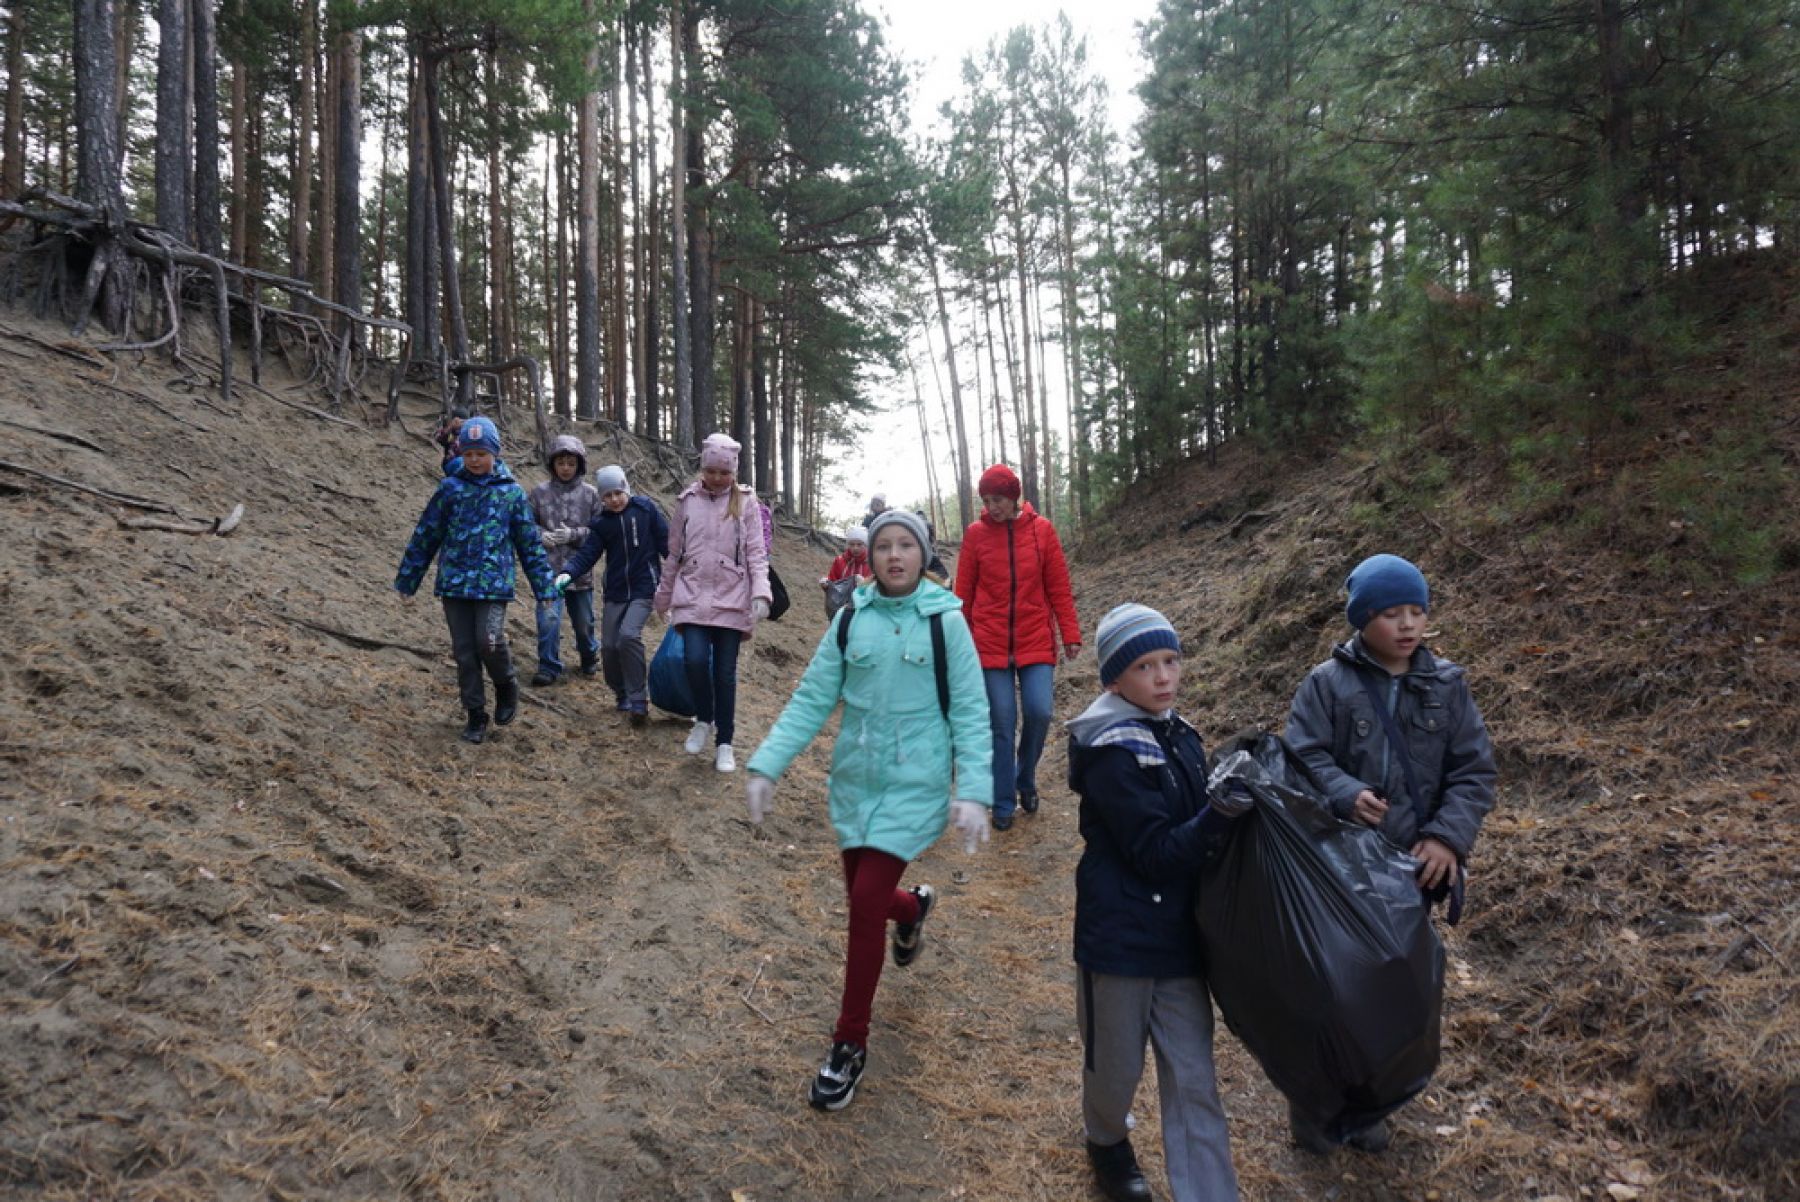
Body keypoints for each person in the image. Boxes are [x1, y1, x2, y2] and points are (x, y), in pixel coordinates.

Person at [743, 510, 993, 1111]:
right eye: (884, 546)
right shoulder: (852, 616)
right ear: (870, 556)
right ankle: (912, 910)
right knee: (869, 895)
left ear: (923, 554)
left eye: (906, 545)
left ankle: (849, 1042)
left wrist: (974, 789)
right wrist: (767, 762)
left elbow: (970, 710)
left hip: (915, 785)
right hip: (855, 783)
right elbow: (812, 695)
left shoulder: (946, 623)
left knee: (861, 905)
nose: (894, 555)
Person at [1283, 552, 1497, 1155]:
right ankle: (1316, 1102)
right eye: (1390, 613)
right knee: (1331, 991)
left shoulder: (1448, 686)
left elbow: (1473, 772)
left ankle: (1371, 1102)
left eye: (1417, 611)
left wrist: (1447, 837)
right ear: (1361, 620)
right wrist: (1346, 794)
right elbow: (1302, 756)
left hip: (1410, 870)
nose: (1407, 625)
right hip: (1340, 868)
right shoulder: (1327, 684)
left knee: (1395, 993)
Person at [1068, 604, 1248, 1201]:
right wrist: (1219, 814)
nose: (1164, 676)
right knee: (1115, 1069)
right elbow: (1153, 850)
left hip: (1177, 937)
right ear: (1114, 679)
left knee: (1194, 1074)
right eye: (1145, 666)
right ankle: (1106, 1140)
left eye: (1171, 660)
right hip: (1118, 938)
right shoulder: (1109, 750)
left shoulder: (1180, 732)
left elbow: (1198, 824)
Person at [395, 416, 560, 744]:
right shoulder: (450, 488)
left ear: (495, 454)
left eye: (481, 454)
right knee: (465, 652)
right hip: (455, 583)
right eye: (469, 454)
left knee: (490, 641)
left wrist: (544, 587)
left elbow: (528, 542)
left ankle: (505, 684)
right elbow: (427, 533)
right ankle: (475, 714)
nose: (474, 460)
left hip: (493, 584)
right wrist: (408, 579)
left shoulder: (511, 493)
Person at [954, 463, 1082, 830]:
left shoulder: (1042, 532)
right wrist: (960, 639)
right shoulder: (976, 535)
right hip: (989, 642)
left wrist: (1070, 633)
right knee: (1002, 721)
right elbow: (962, 594)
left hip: (1035, 639)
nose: (992, 506)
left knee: (1040, 712)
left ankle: (1026, 779)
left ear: (1014, 497)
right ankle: (1003, 799)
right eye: (987, 500)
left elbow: (1058, 586)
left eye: (998, 499)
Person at [652, 432, 772, 772]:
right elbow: (674, 552)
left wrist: (761, 593)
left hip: (732, 600)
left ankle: (725, 742)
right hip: (691, 597)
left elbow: (756, 555)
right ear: (703, 469)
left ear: (733, 472)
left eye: (725, 472)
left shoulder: (746, 503)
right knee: (692, 660)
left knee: (725, 673)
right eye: (712, 471)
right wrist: (663, 598)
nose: (718, 478)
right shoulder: (687, 501)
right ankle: (703, 719)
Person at [556, 465, 670, 726]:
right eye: (607, 496)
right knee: (609, 646)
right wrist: (567, 573)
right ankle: (621, 693)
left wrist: (681, 571)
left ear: (626, 489)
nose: (614, 500)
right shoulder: (601, 523)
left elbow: (666, 543)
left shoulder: (645, 510)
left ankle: (638, 699)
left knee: (629, 636)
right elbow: (587, 554)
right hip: (616, 591)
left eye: (618, 493)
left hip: (644, 587)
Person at [527, 434, 602, 686]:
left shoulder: (591, 495)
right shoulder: (538, 493)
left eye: (571, 463)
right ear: (552, 464)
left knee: (584, 624)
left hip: (580, 573)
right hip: (547, 570)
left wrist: (574, 534)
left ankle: (589, 654)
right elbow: (525, 525)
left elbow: (601, 532)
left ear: (579, 464)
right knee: (548, 619)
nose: (566, 468)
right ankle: (548, 666)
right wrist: (542, 536)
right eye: (561, 463)